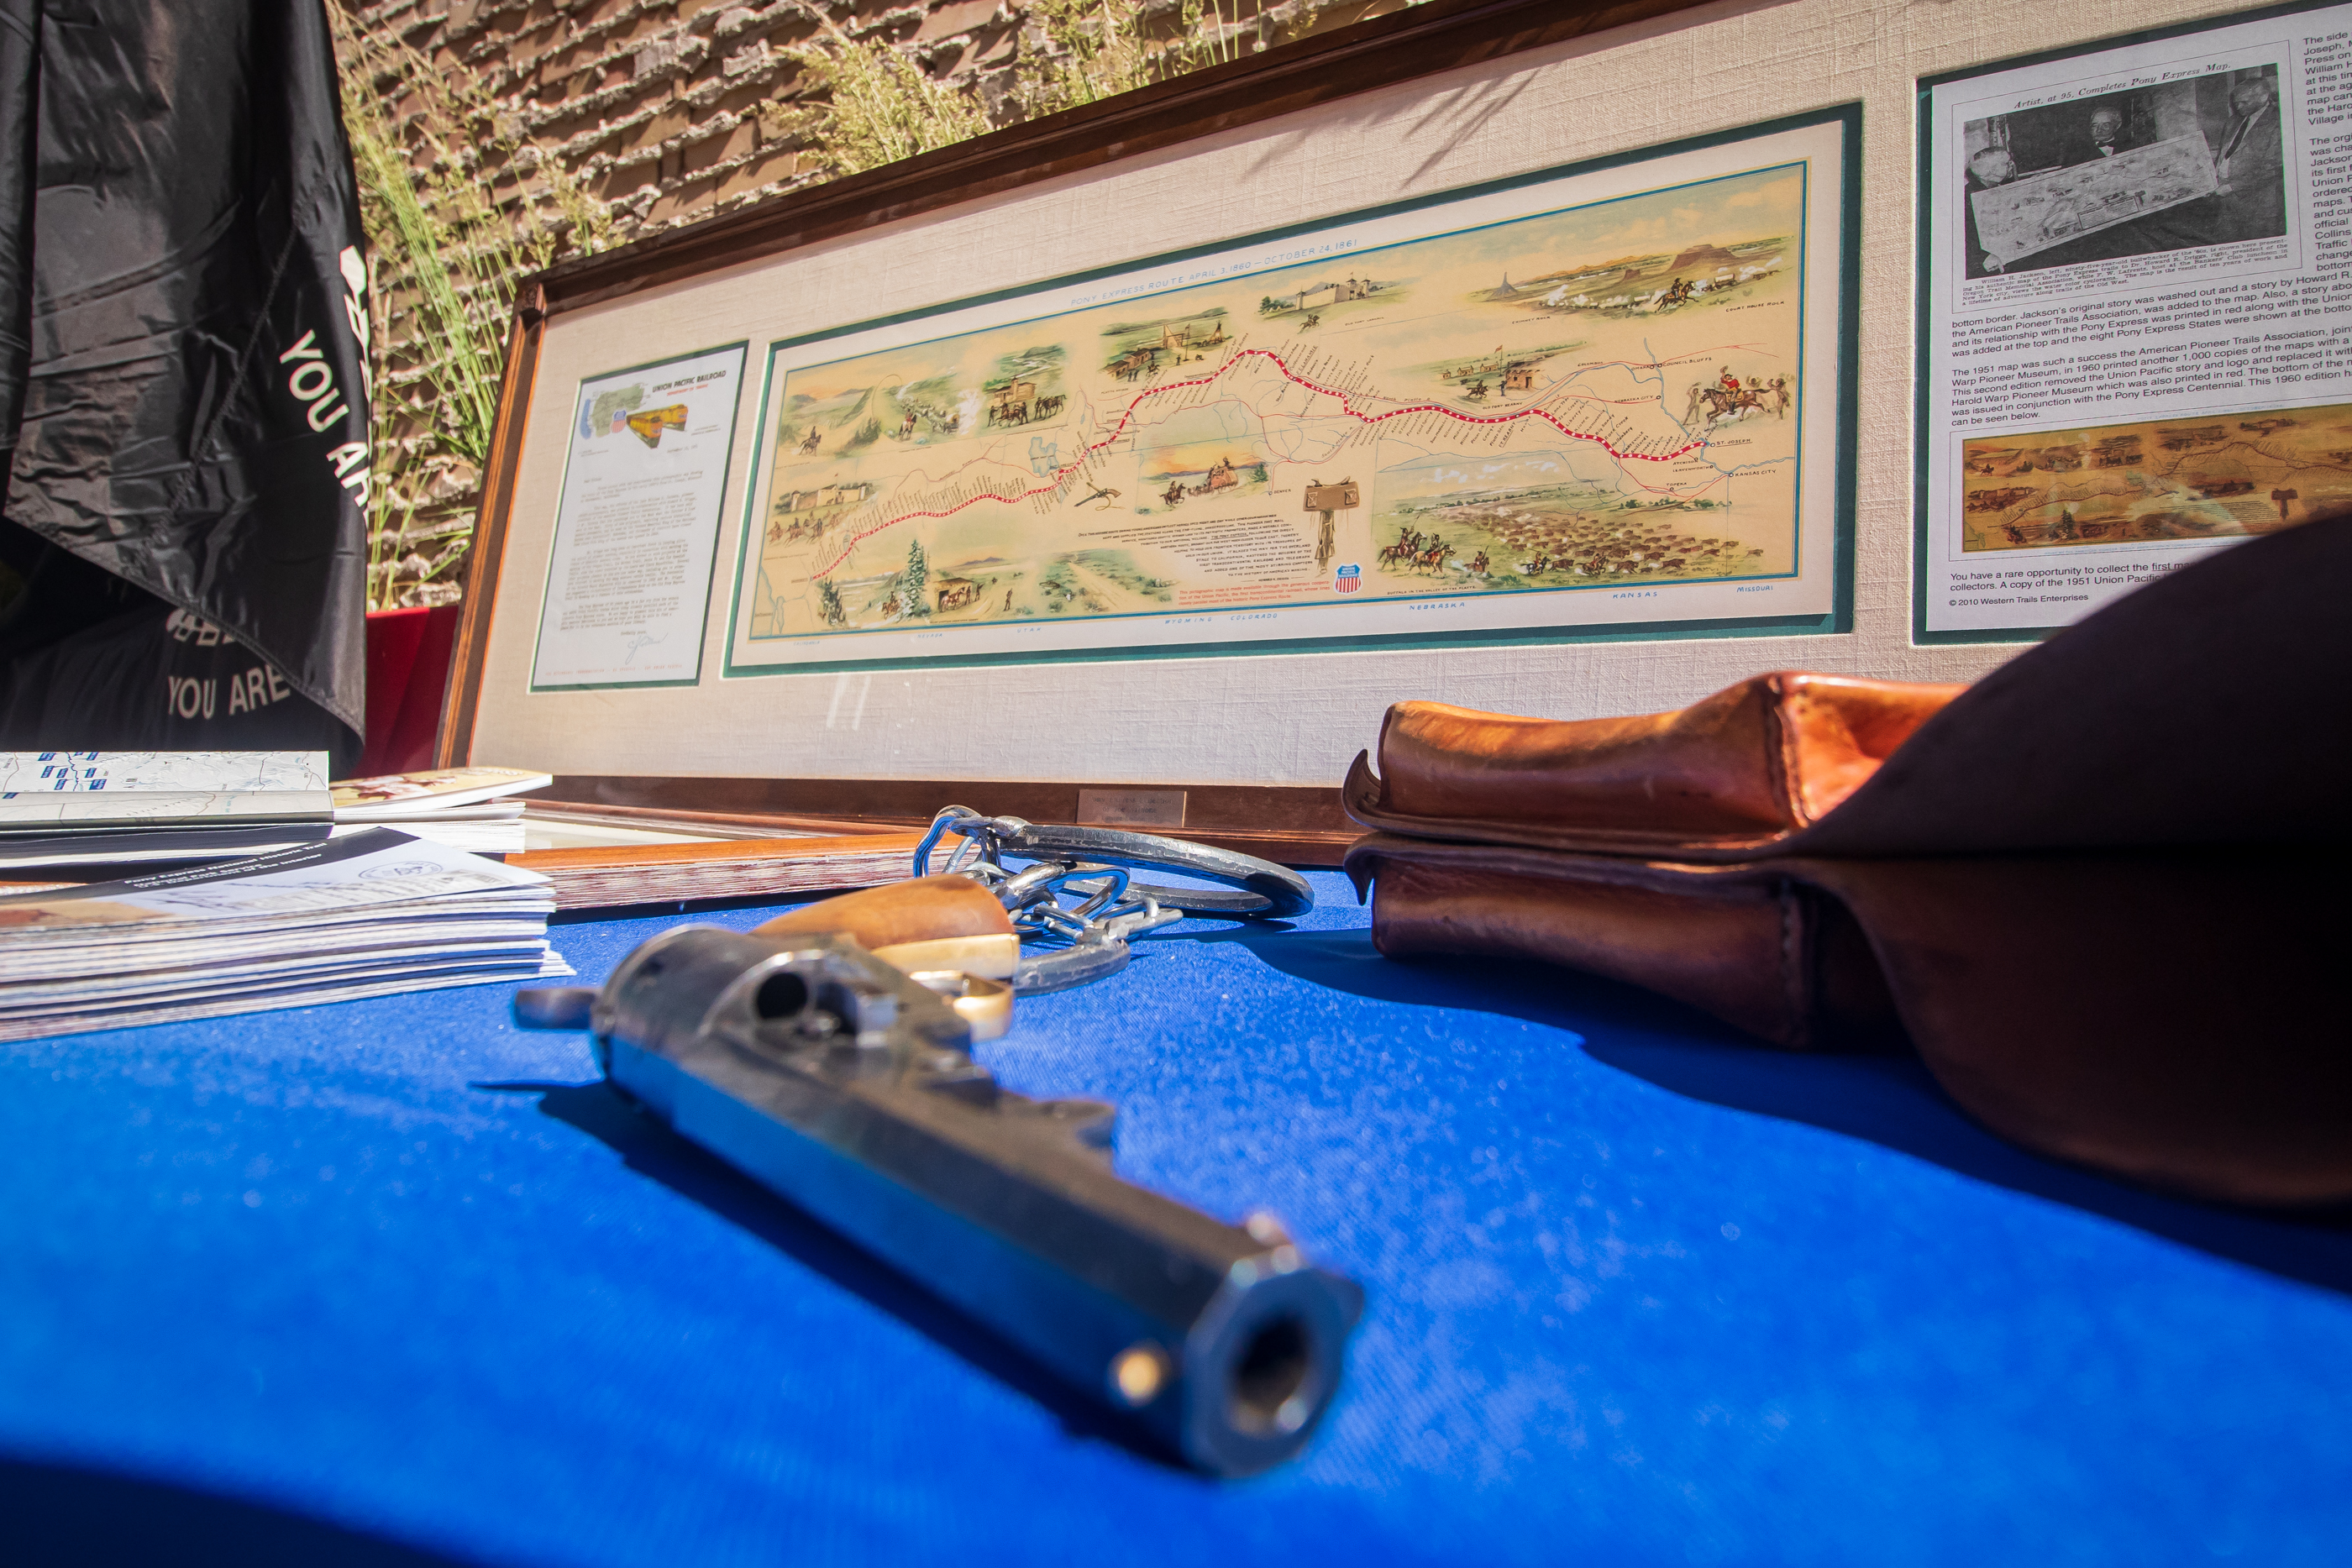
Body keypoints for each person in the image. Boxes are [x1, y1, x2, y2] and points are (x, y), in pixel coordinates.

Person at [2209, 75, 2286, 243]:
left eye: (2244, 102)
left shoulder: (2280, 120)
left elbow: (2273, 167)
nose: (2238, 107)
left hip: (2259, 205)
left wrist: (2232, 186)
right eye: (2236, 103)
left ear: (2263, 97)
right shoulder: (2232, 122)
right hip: (2226, 203)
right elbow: (2224, 154)